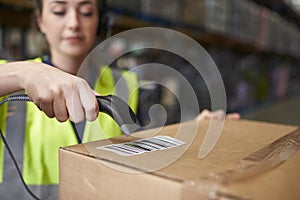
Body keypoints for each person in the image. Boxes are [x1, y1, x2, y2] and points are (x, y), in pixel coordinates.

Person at [0, 0, 240, 199]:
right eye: (59, 11)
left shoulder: (129, 85)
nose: (73, 23)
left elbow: (157, 148)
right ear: (40, 20)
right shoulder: (11, 82)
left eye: (86, 12)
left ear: (100, 20)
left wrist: (196, 131)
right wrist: (24, 73)